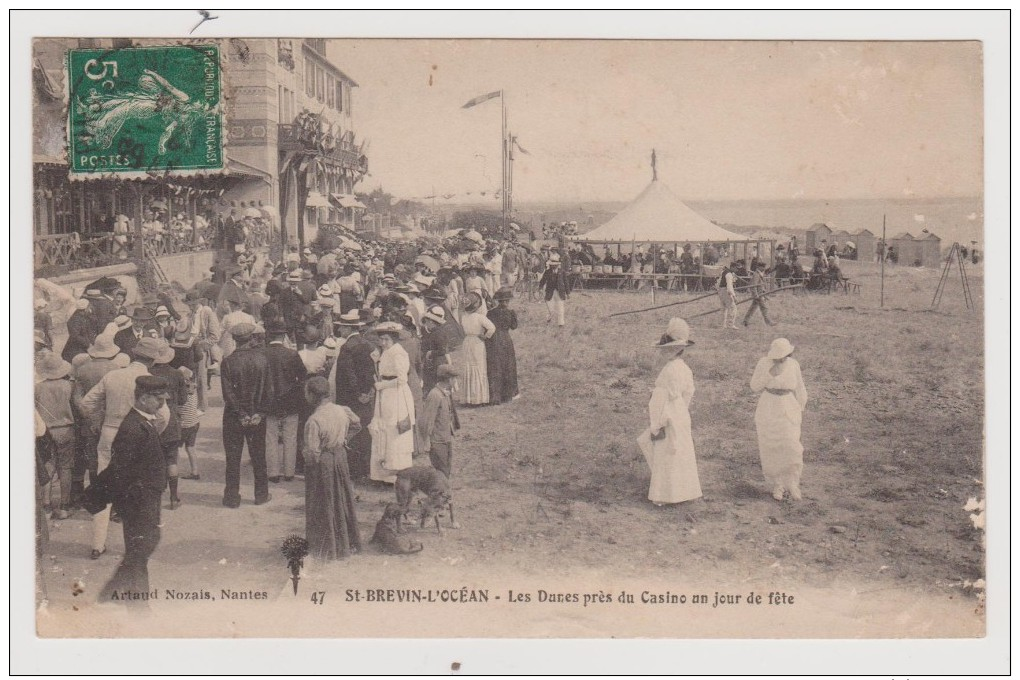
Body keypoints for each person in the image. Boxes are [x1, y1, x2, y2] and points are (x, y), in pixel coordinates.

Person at [85, 376, 172, 610]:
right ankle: (138, 609)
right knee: (139, 552)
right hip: (139, 501)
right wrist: (111, 499)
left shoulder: (142, 421)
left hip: (146, 499)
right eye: (159, 399)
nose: (162, 404)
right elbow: (120, 471)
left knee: (143, 547)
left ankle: (113, 591)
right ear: (144, 398)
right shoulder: (133, 428)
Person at [80, 337, 168, 560]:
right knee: (141, 490)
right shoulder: (149, 381)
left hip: (109, 433)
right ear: (152, 361)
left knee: (104, 483)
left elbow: (87, 403)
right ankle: (138, 545)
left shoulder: (113, 375)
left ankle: (97, 544)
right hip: (139, 435)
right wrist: (151, 431)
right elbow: (163, 415)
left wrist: (100, 421)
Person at [637, 318, 702, 506]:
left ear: (670, 350)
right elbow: (689, 392)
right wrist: (682, 409)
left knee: (666, 451)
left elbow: (660, 399)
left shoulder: (668, 371)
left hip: (668, 412)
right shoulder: (685, 369)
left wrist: (656, 423)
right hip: (680, 411)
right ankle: (685, 491)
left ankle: (664, 495)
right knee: (680, 449)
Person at [302, 376, 362, 561]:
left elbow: (312, 452)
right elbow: (357, 424)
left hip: (325, 462)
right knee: (342, 498)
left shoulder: (314, 420)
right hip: (340, 456)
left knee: (323, 502)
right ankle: (347, 542)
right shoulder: (342, 410)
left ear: (312, 396)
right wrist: (344, 440)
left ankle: (326, 547)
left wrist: (311, 463)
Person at [220, 323, 274, 508]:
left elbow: (228, 394)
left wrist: (241, 414)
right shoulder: (262, 360)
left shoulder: (227, 362)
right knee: (259, 456)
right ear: (251, 338)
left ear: (234, 339)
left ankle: (232, 498)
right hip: (257, 417)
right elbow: (269, 391)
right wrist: (260, 413)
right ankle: (261, 494)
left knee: (233, 458)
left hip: (234, 417)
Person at [750, 338, 808, 501]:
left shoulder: (793, 364)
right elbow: (754, 386)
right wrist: (769, 374)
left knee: (792, 446)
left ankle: (793, 483)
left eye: (783, 356)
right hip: (769, 406)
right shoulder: (763, 363)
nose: (780, 359)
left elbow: (800, 387)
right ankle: (778, 484)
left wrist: (800, 407)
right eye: (777, 357)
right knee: (771, 447)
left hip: (788, 406)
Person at [369, 322, 416, 484]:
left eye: (386, 339)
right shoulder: (385, 351)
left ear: (394, 339)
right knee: (383, 429)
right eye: (381, 339)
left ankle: (395, 474)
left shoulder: (398, 353)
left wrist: (383, 385)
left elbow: (402, 379)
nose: (383, 342)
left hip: (396, 394)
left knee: (394, 430)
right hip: (385, 394)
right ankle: (381, 473)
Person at [333, 310, 377, 479]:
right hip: (366, 395)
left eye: (341, 328)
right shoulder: (368, 345)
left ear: (346, 329)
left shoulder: (347, 348)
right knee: (365, 429)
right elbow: (372, 371)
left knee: (351, 429)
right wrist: (369, 391)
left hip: (350, 396)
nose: (339, 331)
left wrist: (358, 393)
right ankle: (366, 465)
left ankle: (354, 468)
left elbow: (348, 374)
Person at [263, 322, 308, 483]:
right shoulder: (292, 354)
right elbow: (303, 376)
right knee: (290, 437)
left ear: (269, 336)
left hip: (269, 402)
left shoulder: (263, 353)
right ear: (283, 337)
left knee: (270, 438)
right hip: (290, 401)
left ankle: (273, 473)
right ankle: (289, 472)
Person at [34, 354, 77, 519]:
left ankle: (46, 505)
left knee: (47, 466)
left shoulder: (37, 388)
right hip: (66, 428)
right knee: (65, 467)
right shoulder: (69, 386)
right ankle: (64, 505)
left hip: (45, 430)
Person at [420, 364, 460, 478]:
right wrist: (427, 442)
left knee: (446, 470)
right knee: (441, 472)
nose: (455, 381)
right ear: (448, 380)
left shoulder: (445, 393)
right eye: (454, 378)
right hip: (437, 442)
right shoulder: (435, 395)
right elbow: (426, 420)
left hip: (446, 439)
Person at [459, 292, 496, 406]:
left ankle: (468, 398)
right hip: (477, 342)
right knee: (479, 367)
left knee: (468, 367)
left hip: (467, 342)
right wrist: (485, 336)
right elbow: (492, 328)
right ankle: (479, 398)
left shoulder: (463, 317)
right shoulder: (480, 317)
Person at [485, 286, 520, 404]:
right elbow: (514, 327)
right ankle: (508, 394)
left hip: (493, 340)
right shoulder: (510, 313)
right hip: (505, 339)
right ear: (508, 301)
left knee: (495, 366)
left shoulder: (490, 313)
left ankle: (495, 395)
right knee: (508, 366)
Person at [176, 366, 202, 481]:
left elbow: (178, 408)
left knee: (175, 449)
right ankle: (195, 471)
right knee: (190, 448)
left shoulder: (181, 393)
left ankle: (174, 471)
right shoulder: (194, 389)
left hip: (183, 425)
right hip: (194, 423)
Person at [538, 253, 569, 326]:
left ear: (558, 264)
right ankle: (548, 320)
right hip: (550, 292)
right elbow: (543, 280)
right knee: (550, 308)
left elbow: (566, 282)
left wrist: (568, 293)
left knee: (560, 308)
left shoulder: (562, 272)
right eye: (552, 264)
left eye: (555, 265)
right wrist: (540, 288)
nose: (553, 266)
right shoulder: (547, 272)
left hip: (560, 292)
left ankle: (561, 323)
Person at [743, 262, 775, 327]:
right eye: (763, 267)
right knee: (764, 308)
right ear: (759, 267)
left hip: (761, 294)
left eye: (764, 267)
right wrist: (755, 295)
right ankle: (768, 322)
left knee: (752, 308)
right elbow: (753, 285)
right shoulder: (756, 274)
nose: (764, 268)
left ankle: (745, 321)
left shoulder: (760, 274)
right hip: (758, 295)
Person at [717, 263, 738, 329]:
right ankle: (730, 325)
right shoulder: (729, 274)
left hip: (721, 290)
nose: (737, 270)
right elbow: (729, 287)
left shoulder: (724, 272)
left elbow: (718, 282)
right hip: (726, 291)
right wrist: (734, 297)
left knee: (723, 308)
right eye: (736, 268)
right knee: (733, 308)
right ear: (732, 267)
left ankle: (722, 325)